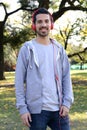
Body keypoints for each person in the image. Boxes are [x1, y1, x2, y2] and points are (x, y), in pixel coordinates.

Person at [15, 8, 74, 130]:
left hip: (59, 110)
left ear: (51, 24)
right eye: (40, 22)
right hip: (36, 112)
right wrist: (22, 109)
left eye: (46, 21)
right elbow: (19, 82)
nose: (43, 25)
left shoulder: (59, 49)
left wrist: (67, 103)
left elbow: (66, 77)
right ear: (34, 25)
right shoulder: (26, 49)